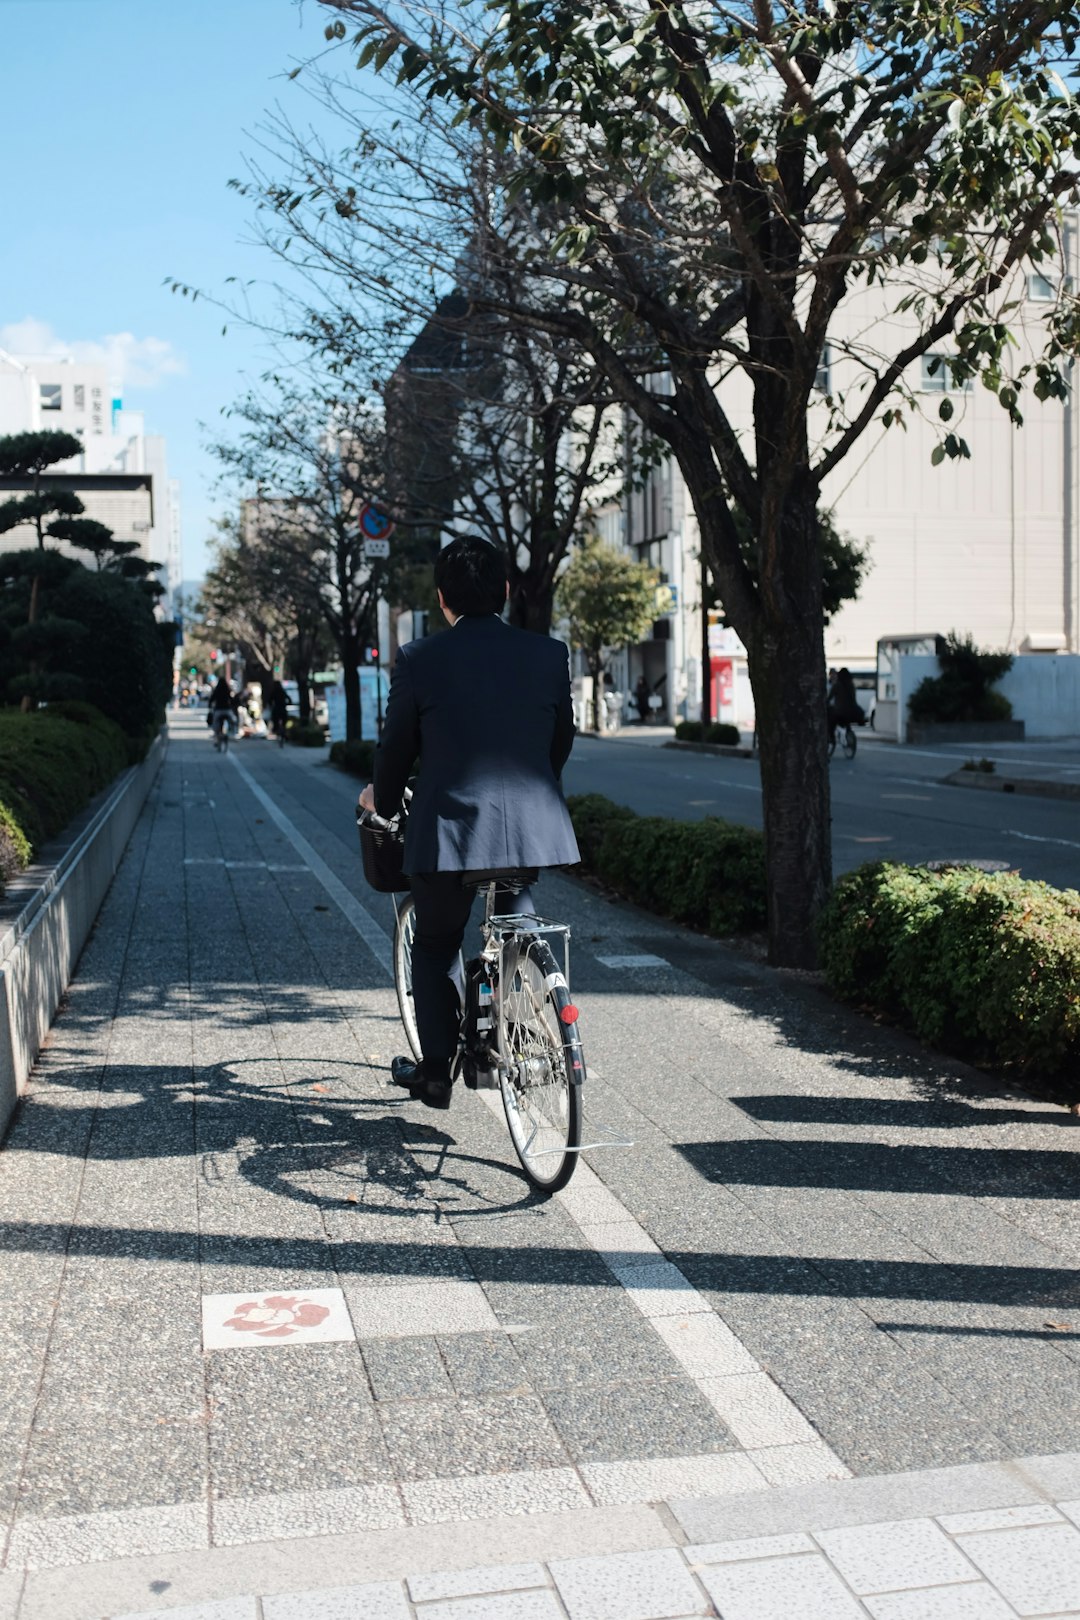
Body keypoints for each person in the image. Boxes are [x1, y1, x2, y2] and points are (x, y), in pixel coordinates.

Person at [358, 535, 579, 1110]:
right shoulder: (549, 654)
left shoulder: (420, 659)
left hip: (451, 831)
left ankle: (436, 1074)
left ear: (441, 599)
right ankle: (516, 1017)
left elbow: (395, 750)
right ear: (504, 590)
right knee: (514, 919)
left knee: (435, 944)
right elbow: (560, 742)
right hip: (530, 825)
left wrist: (380, 801)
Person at [827, 666, 860, 746]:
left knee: (831, 723)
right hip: (852, 711)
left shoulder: (837, 685)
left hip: (839, 712)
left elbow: (829, 697)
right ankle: (848, 732)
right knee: (846, 722)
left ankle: (831, 738)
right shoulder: (851, 685)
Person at [207, 675, 236, 744]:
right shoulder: (228, 690)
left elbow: (211, 699)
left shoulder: (216, 690)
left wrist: (210, 706)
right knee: (233, 721)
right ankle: (233, 733)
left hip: (218, 710)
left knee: (215, 723)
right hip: (227, 710)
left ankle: (217, 736)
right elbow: (232, 700)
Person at [267, 680, 289, 744]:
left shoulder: (274, 692)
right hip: (283, 709)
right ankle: (283, 732)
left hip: (276, 709)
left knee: (275, 720)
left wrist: (271, 706)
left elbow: (269, 701)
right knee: (284, 723)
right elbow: (289, 698)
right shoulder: (283, 691)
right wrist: (287, 703)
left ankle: (276, 729)